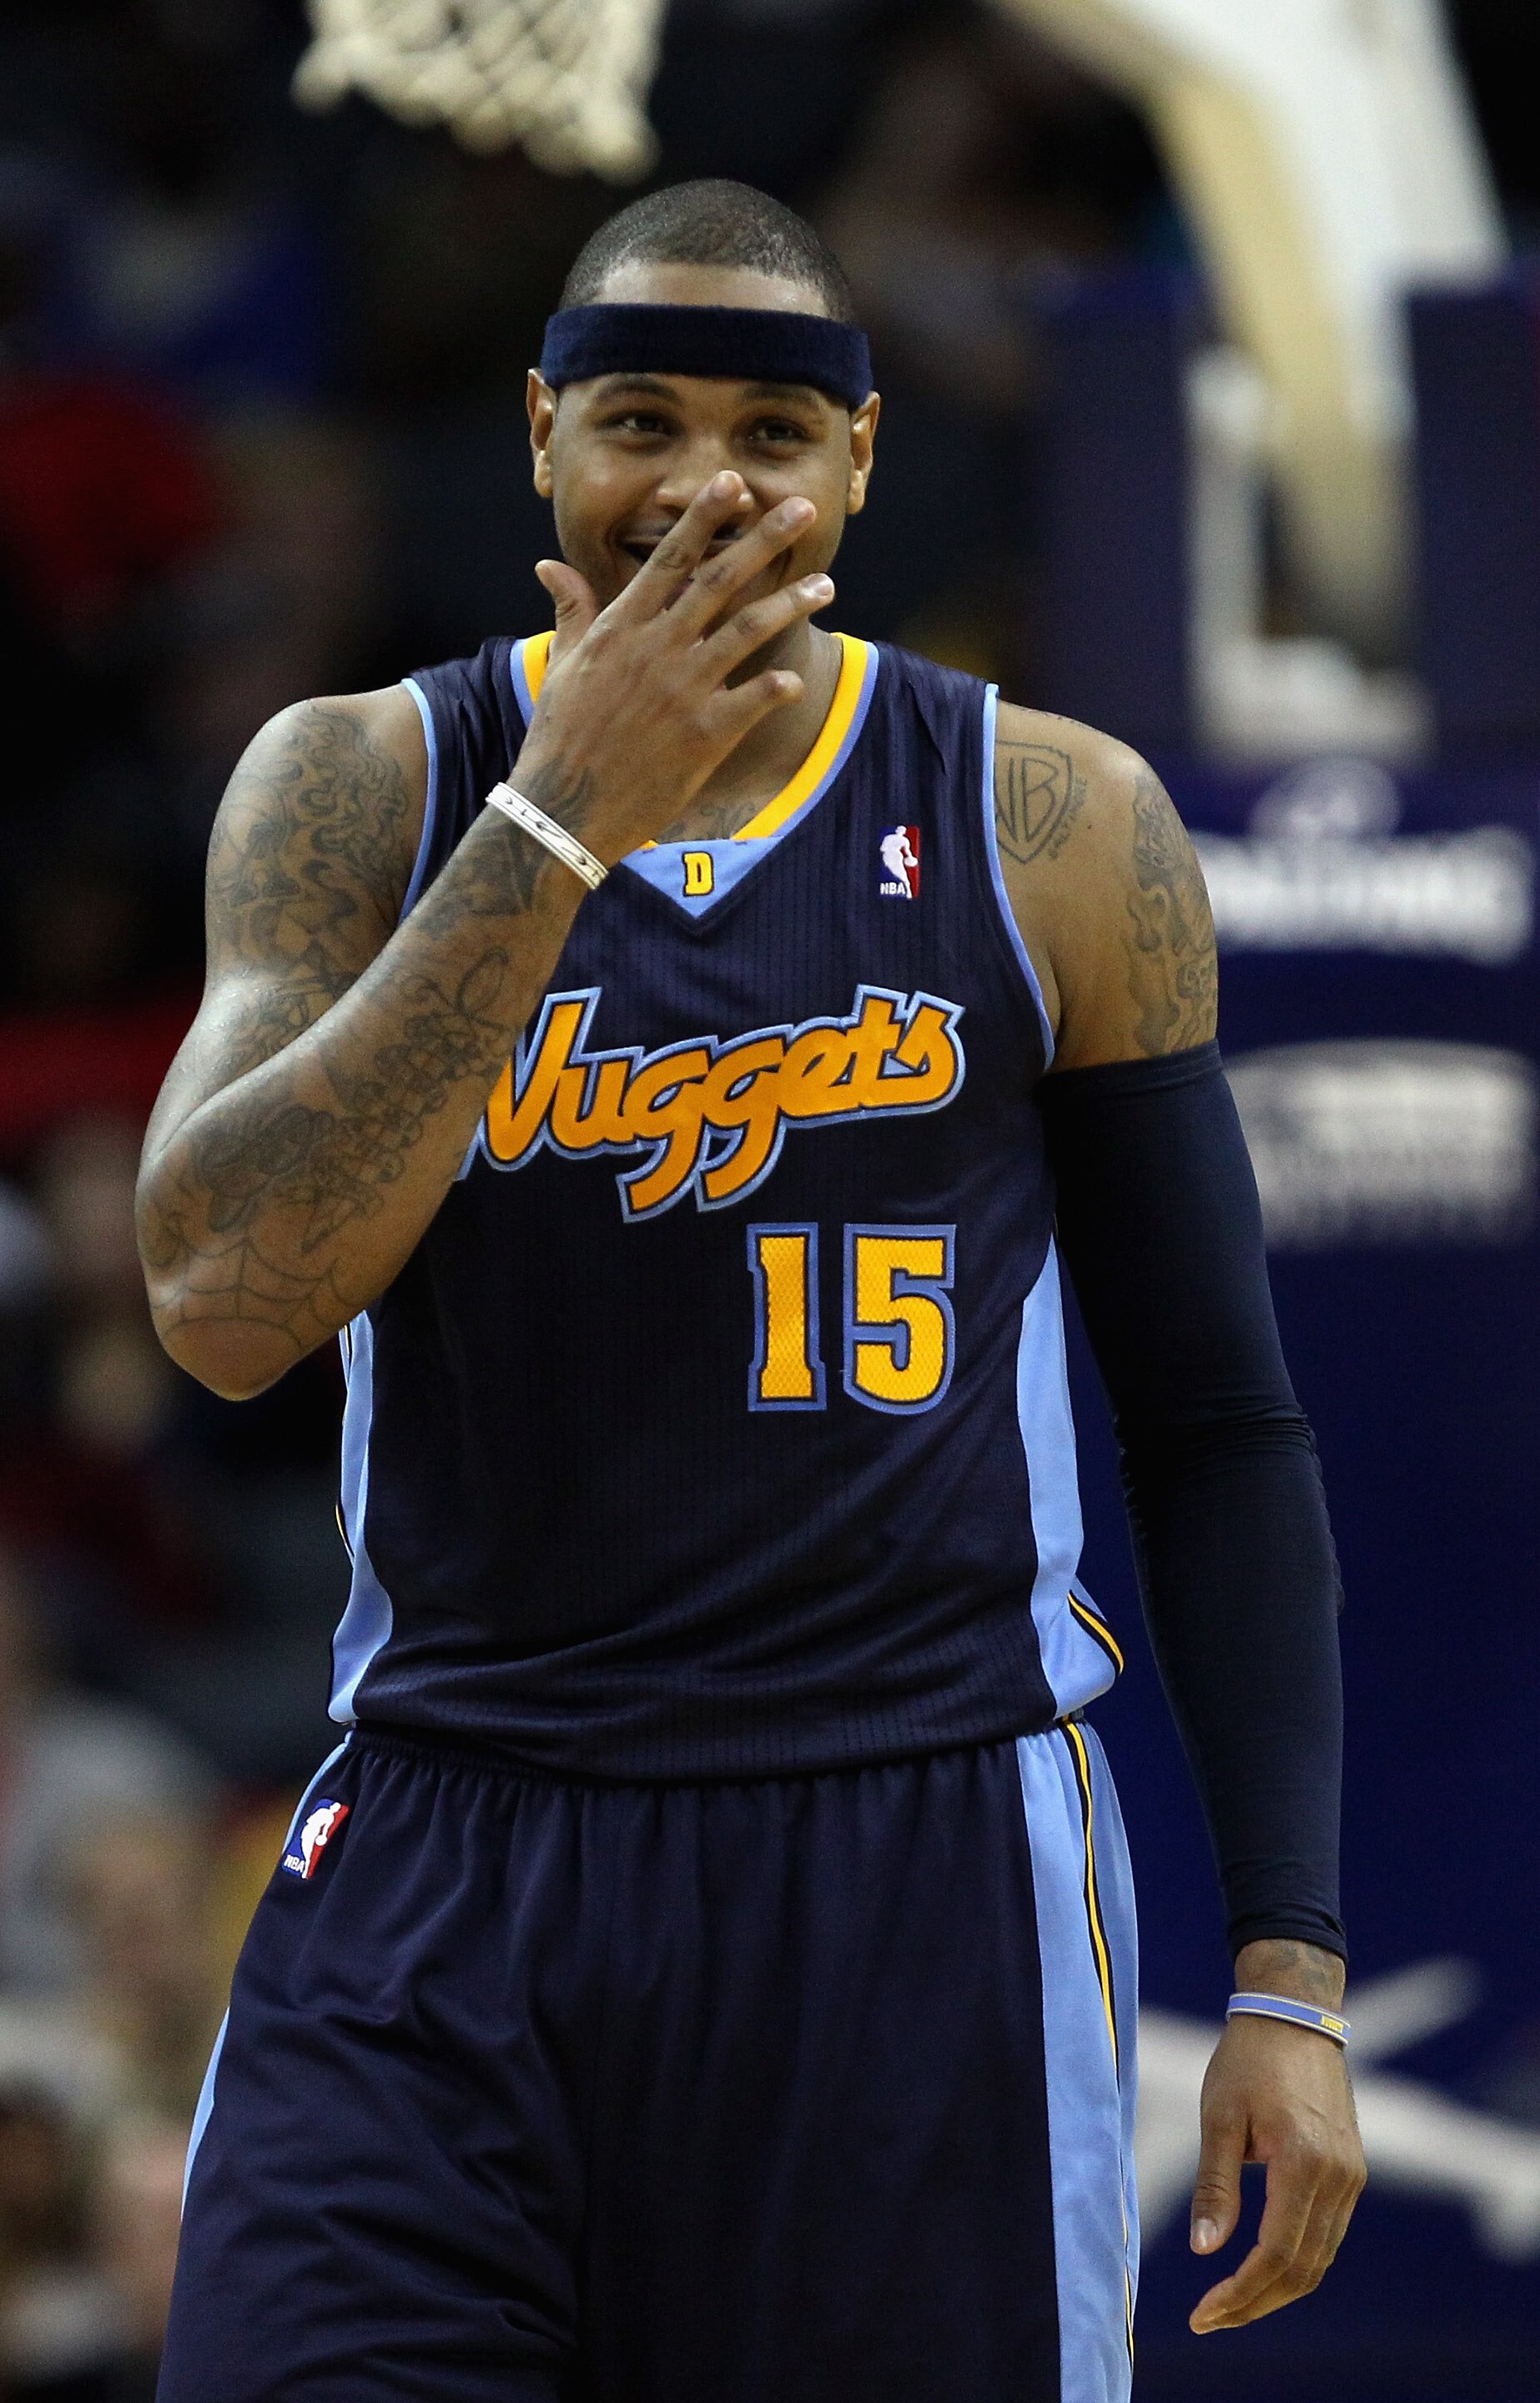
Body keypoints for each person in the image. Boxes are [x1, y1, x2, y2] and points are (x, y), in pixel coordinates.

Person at [136, 178, 1364, 2403]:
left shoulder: (1056, 825)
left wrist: (1288, 1967)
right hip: (451, 1837)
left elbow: (1219, 1424)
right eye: (640, 420)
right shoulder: (357, 785)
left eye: (773, 433)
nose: (704, 483)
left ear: (861, 465)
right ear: (536, 440)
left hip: (906, 1854)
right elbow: (221, 1299)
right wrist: (557, 830)